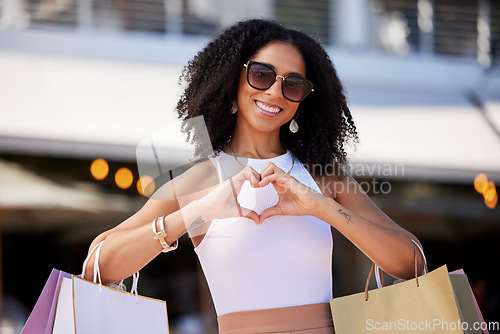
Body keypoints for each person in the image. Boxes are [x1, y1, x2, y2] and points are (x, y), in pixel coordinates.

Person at [84, 19, 425, 334]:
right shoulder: (200, 181)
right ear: (233, 79)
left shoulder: (324, 179)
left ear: (302, 100)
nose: (276, 92)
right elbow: (99, 265)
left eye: (293, 85)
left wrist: (322, 209)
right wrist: (195, 212)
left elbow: (412, 262)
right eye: (262, 75)